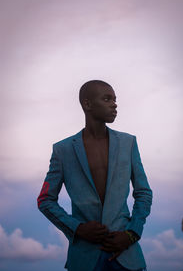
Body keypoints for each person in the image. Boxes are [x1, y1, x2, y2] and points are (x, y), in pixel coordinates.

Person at [37, 80, 153, 271]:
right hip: (84, 258)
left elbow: (144, 193)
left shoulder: (128, 143)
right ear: (87, 104)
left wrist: (132, 233)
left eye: (115, 99)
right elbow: (45, 200)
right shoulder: (63, 150)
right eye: (107, 99)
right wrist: (78, 229)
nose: (114, 104)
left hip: (126, 254)